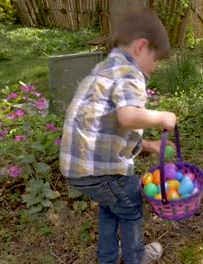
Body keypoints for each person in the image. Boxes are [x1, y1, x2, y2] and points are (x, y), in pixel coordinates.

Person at [59, 9, 176, 264]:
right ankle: (136, 257)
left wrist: (151, 145)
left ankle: (108, 258)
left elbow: (108, 131)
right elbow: (127, 117)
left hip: (77, 169)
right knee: (131, 207)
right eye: (155, 59)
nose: (154, 68)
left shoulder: (103, 70)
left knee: (110, 207)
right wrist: (163, 117)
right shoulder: (128, 72)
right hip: (103, 171)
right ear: (141, 47)